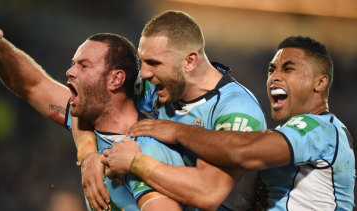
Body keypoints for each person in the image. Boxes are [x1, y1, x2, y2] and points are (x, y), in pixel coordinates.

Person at [106, 36, 356, 210]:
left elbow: (240, 151)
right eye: (272, 70)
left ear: (320, 83)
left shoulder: (321, 129)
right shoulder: (286, 136)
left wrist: (176, 131)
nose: (275, 77)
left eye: (288, 69)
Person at [0, 16, 186, 211]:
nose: (70, 72)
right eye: (73, 64)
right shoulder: (88, 121)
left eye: (84, 65)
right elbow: (32, 85)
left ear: (115, 79)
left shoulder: (143, 151)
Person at [76, 10, 267, 210]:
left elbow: (209, 192)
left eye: (154, 63)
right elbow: (84, 100)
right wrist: (87, 155)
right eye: (143, 61)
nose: (144, 73)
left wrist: (136, 162)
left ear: (190, 61)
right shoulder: (158, 86)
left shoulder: (236, 111)